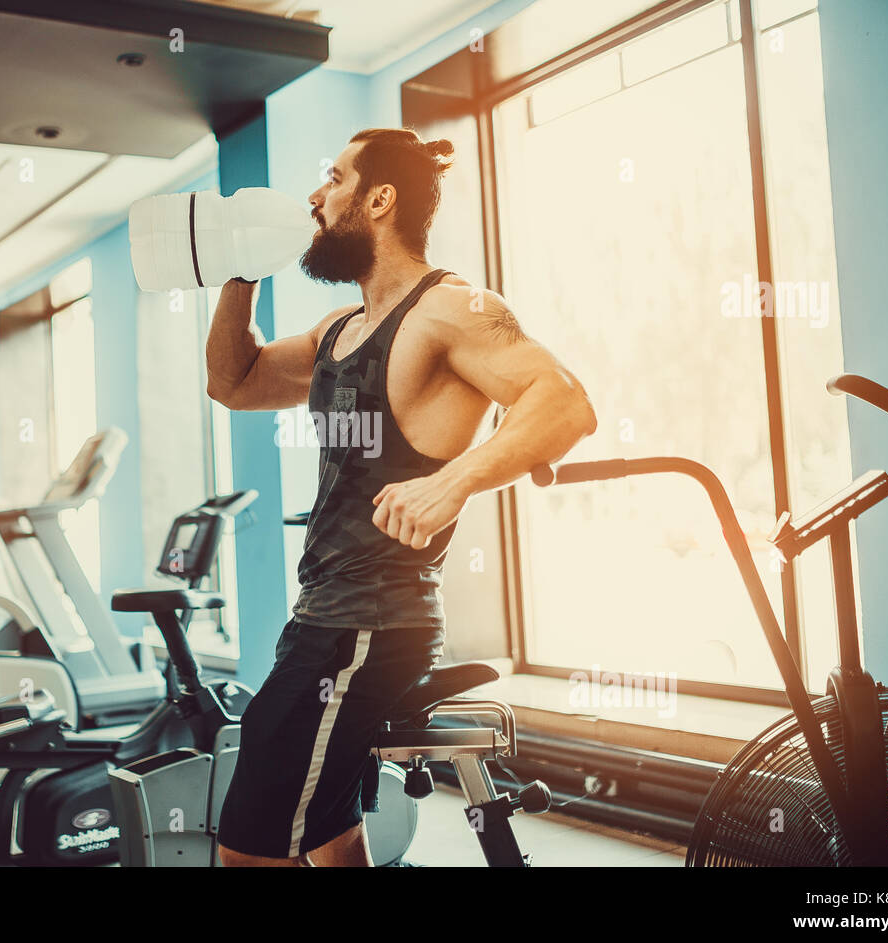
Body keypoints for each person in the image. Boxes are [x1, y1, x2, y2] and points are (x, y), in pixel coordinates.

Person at [207, 128, 598, 866]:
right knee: (329, 839)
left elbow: (565, 402)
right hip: (327, 621)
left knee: (247, 854)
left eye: (333, 177)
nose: (315, 196)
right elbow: (234, 381)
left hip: (368, 628)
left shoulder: (451, 309)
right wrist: (241, 272)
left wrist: (453, 481)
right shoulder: (339, 329)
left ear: (379, 199)